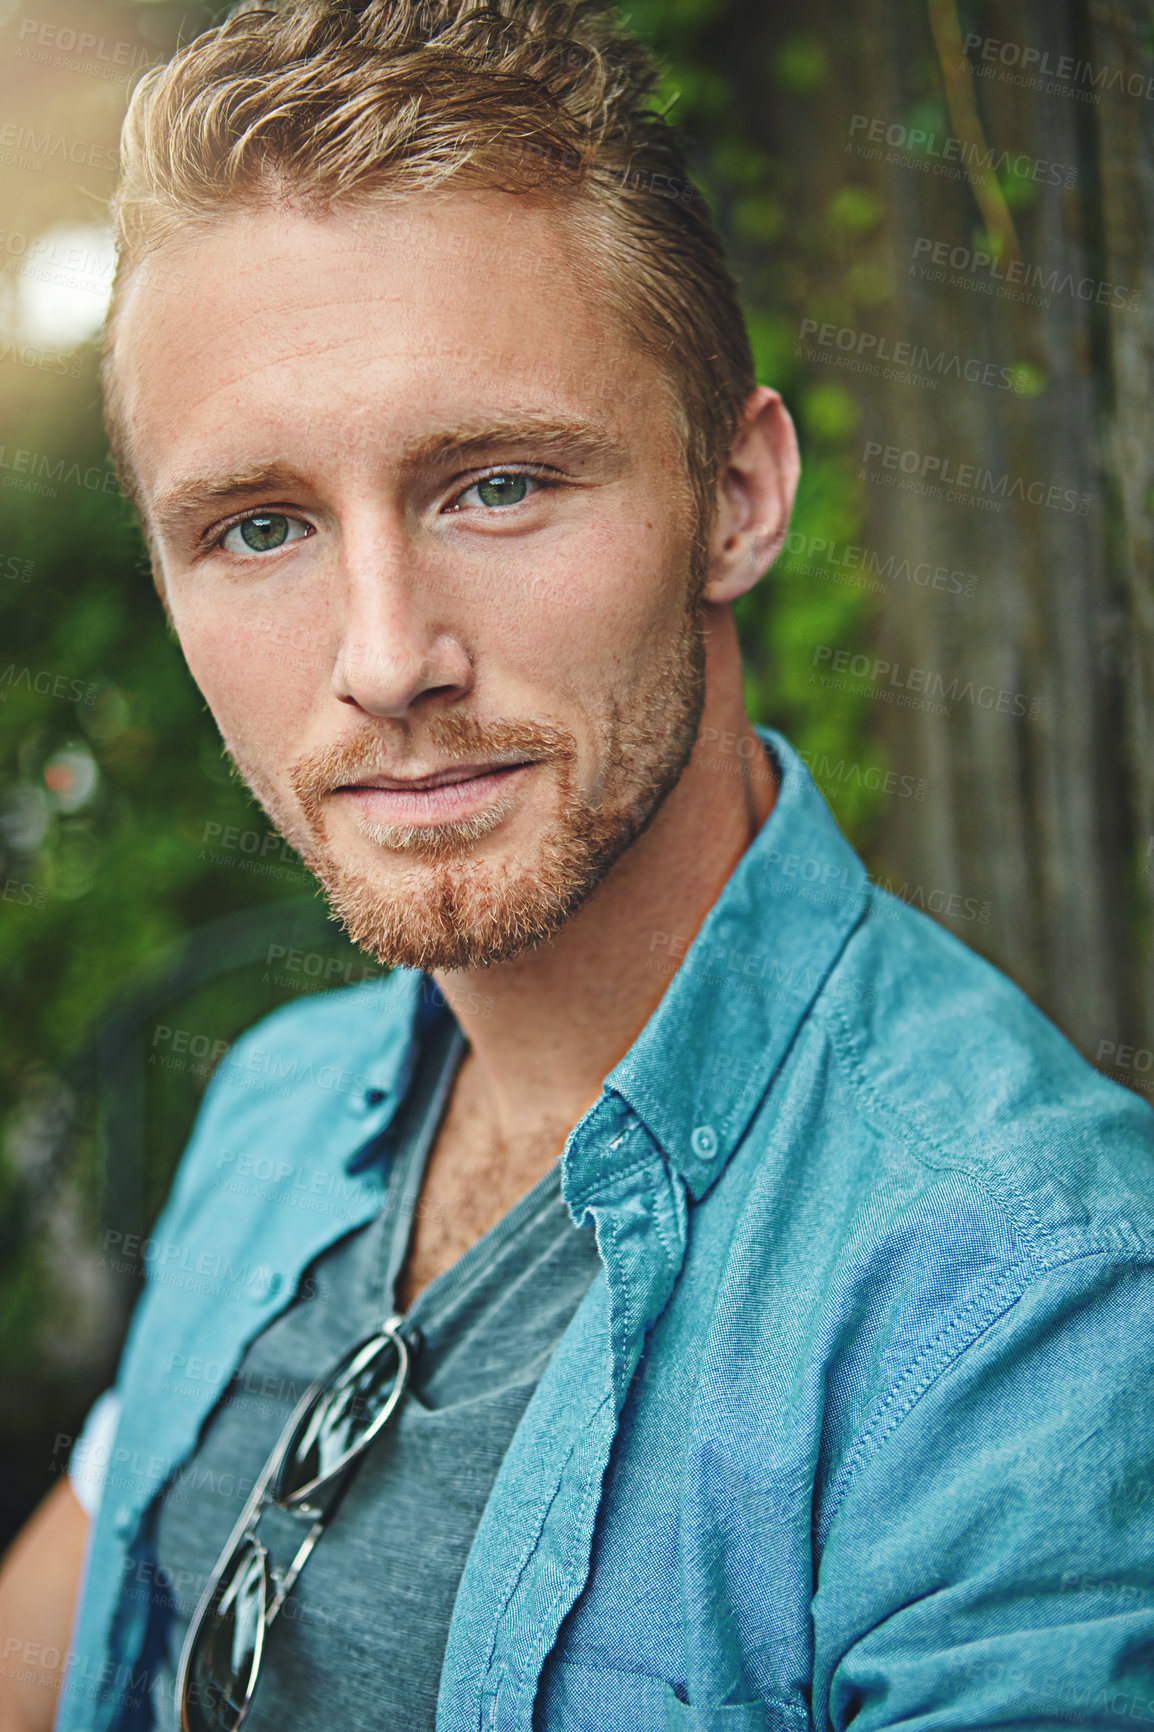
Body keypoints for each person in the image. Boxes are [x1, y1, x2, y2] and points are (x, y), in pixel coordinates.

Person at [3, 1, 1154, 1728]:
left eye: (499, 487)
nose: (386, 659)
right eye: (258, 526)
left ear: (734, 496)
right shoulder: (275, 1106)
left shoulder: (1029, 1301)